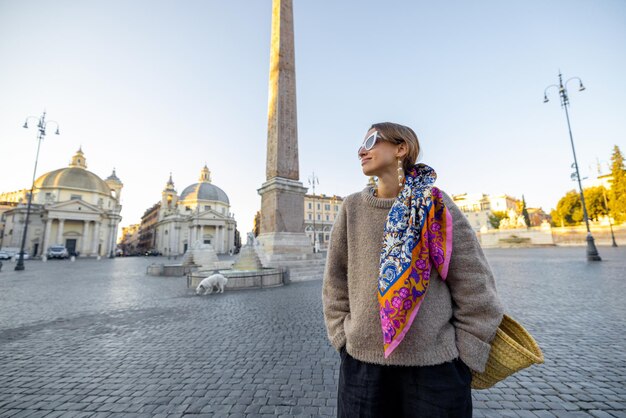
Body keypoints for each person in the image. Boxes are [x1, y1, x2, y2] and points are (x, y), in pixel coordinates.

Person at [322, 122, 504, 417]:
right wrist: (343, 337)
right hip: (362, 365)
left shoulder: (436, 204)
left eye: (370, 141)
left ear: (400, 148)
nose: (361, 150)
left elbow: (473, 281)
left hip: (435, 369)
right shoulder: (352, 208)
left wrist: (467, 355)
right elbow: (335, 281)